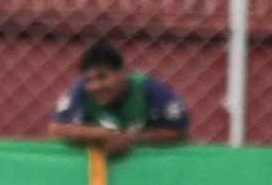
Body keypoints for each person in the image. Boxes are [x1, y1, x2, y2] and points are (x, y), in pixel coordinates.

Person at [47, 42, 189, 157]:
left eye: (102, 77)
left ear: (122, 73)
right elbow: (57, 129)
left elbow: (179, 133)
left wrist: (129, 139)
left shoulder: (150, 88)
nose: (95, 86)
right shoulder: (81, 89)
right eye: (89, 80)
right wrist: (103, 134)